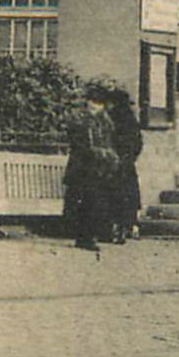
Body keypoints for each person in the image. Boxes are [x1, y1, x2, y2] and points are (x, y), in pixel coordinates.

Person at [64, 83, 121, 252]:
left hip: (98, 169)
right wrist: (101, 154)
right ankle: (85, 237)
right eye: (91, 102)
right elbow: (80, 146)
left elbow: (110, 142)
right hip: (83, 168)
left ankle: (90, 235)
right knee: (86, 203)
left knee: (96, 203)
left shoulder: (105, 122)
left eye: (97, 103)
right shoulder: (81, 120)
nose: (93, 106)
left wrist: (107, 156)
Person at [105, 90, 143, 244]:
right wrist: (131, 157)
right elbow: (138, 143)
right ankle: (127, 227)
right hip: (127, 164)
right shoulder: (131, 120)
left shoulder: (111, 118)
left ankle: (114, 229)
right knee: (128, 196)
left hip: (113, 164)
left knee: (113, 196)